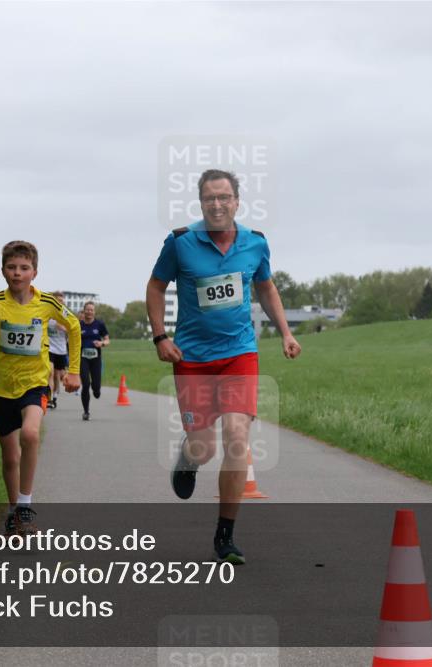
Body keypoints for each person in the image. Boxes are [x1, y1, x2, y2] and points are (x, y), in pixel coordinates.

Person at [146, 168, 301, 565]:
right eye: (209, 198)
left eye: (224, 197)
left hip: (239, 354)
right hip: (192, 359)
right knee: (204, 447)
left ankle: (225, 534)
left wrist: (285, 332)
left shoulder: (256, 242)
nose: (217, 204)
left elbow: (265, 287)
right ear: (201, 202)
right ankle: (189, 456)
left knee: (236, 436)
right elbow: (156, 286)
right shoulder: (180, 242)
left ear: (237, 201)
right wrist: (161, 336)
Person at [0, 240, 82, 536]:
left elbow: (74, 326)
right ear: (3, 271)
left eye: (24, 268)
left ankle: (25, 506)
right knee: (10, 458)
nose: (17, 273)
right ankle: (14, 514)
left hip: (35, 383)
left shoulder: (47, 303)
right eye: (12, 267)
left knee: (31, 434)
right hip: (0, 388)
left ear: (35, 272)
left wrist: (73, 371)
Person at [78, 302, 109, 421]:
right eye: (87, 310)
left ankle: (96, 388)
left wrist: (102, 343)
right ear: (84, 311)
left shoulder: (99, 324)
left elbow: (107, 340)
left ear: (94, 312)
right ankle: (86, 412)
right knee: (85, 384)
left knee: (96, 390)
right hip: (83, 358)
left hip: (96, 359)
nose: (89, 312)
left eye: (91, 310)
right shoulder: (79, 325)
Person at [46, 291, 69, 409]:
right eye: (58, 301)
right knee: (50, 372)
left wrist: (63, 328)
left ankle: (54, 396)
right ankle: (49, 399)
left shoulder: (66, 316)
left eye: (61, 301)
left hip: (61, 350)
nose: (60, 303)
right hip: (49, 348)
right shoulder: (46, 314)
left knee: (56, 376)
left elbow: (73, 331)